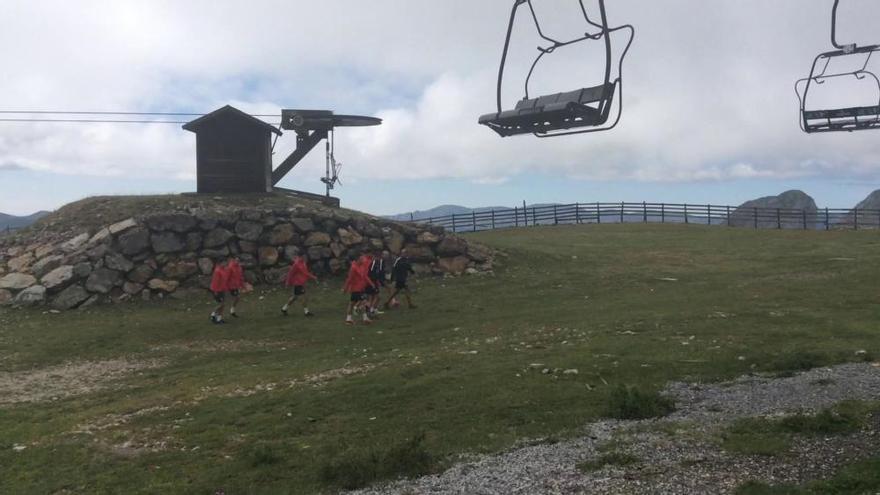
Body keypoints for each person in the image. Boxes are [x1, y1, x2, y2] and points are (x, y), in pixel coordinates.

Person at [282, 251, 317, 317]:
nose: (305, 257)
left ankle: (284, 308)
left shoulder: (303, 262)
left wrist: (312, 277)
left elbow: (305, 272)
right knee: (303, 297)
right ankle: (306, 312)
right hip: (297, 283)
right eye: (304, 256)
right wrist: (287, 283)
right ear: (301, 256)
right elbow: (290, 273)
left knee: (295, 297)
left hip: (301, 282)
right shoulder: (296, 264)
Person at [343, 253, 375, 325]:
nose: (363, 260)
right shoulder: (353, 268)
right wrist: (345, 288)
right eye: (361, 259)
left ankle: (349, 319)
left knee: (352, 303)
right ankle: (365, 318)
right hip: (355, 289)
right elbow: (349, 279)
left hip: (361, 288)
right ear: (357, 259)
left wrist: (371, 283)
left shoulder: (362, 266)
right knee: (364, 302)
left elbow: (365, 276)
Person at [209, 257, 231, 324]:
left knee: (223, 304)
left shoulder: (224, 269)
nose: (225, 263)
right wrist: (215, 291)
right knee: (221, 304)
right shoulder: (217, 271)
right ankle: (214, 315)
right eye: (224, 262)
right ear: (220, 263)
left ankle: (218, 318)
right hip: (217, 290)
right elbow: (215, 282)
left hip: (222, 289)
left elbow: (225, 280)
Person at [367, 250, 388, 316]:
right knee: (377, 296)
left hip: (374, 281)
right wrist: (375, 280)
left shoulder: (377, 262)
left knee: (374, 296)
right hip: (372, 281)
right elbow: (371, 272)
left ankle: (373, 309)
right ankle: (371, 310)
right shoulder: (374, 262)